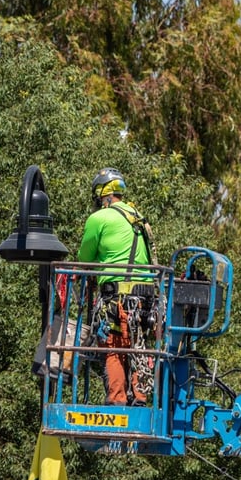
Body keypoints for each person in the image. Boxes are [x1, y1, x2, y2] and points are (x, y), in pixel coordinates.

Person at [77, 168, 156, 405]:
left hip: (117, 297)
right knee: (137, 345)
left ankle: (117, 402)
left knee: (111, 346)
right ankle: (140, 397)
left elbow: (84, 260)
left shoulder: (99, 218)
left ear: (102, 193)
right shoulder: (138, 216)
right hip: (146, 298)